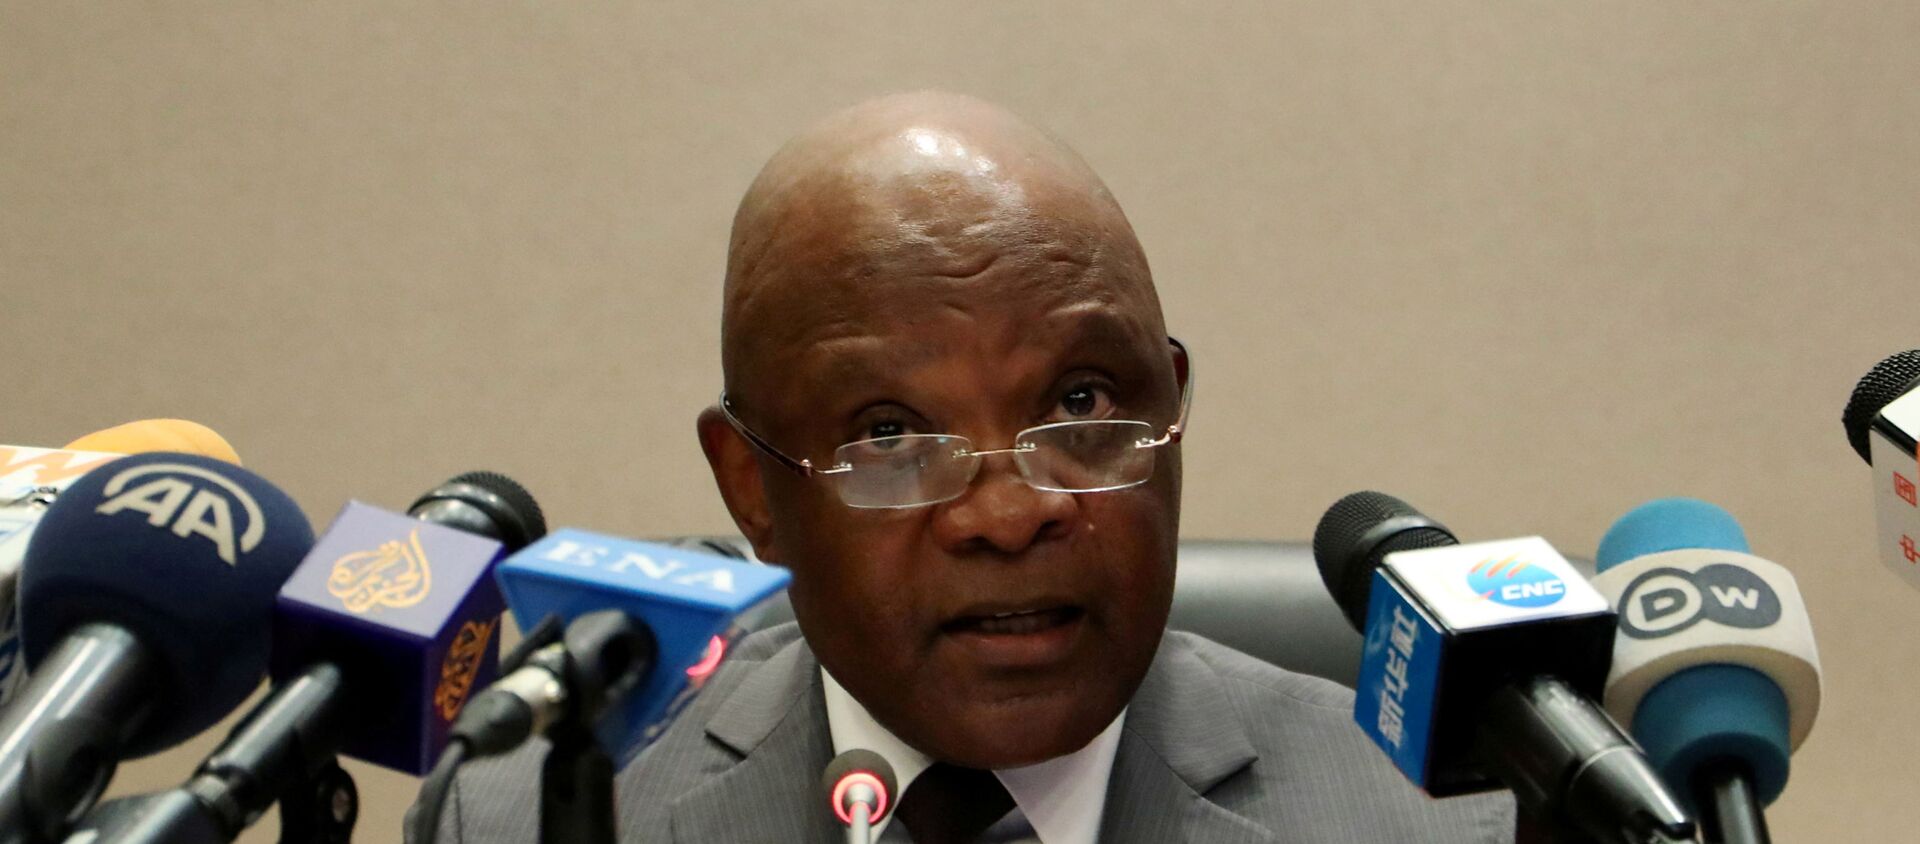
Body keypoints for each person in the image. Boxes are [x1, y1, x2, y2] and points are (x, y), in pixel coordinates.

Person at [435, 91, 1515, 842]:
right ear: (753, 487)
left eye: (1082, 402)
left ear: (1171, 406)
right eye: (892, 434)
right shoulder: (525, 813)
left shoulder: (1440, 813)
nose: (1008, 513)